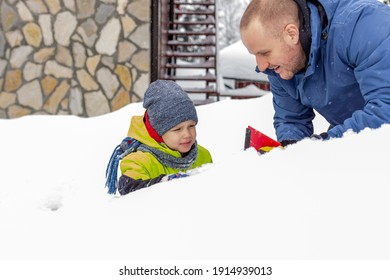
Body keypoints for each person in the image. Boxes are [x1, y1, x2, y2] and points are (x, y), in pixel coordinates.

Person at [240, 0, 390, 145]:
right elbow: (292, 120)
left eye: (265, 53)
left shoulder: (364, 25)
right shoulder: (282, 66)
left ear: (291, 34)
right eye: (255, 55)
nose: (261, 66)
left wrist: (319, 146)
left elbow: (385, 110)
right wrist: (290, 150)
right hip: (358, 140)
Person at [117, 80, 212, 195]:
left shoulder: (203, 155)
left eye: (191, 126)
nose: (187, 134)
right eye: (177, 129)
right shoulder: (139, 161)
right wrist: (164, 182)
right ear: (158, 132)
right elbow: (128, 189)